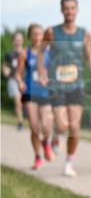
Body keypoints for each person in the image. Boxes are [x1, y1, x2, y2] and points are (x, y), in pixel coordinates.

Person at [44, 0, 91, 177]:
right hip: (57, 84)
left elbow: (89, 55)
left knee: (74, 127)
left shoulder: (84, 34)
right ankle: (55, 135)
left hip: (76, 84)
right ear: (61, 10)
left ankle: (69, 162)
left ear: (77, 10)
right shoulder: (51, 32)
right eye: (66, 8)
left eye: (72, 8)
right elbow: (40, 53)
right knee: (61, 125)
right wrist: (41, 71)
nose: (69, 11)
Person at [17, 24, 54, 169]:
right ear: (29, 36)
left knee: (46, 126)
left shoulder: (49, 53)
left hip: (45, 92)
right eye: (34, 34)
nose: (37, 37)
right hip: (30, 92)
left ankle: (46, 142)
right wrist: (20, 82)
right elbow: (18, 73)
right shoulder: (24, 53)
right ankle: (37, 156)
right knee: (34, 127)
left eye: (40, 34)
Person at [3, 31, 26, 130]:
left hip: (25, 81)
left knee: (26, 103)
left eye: (19, 40)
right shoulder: (9, 54)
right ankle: (20, 122)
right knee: (18, 101)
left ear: (22, 41)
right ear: (13, 42)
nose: (18, 42)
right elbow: (4, 65)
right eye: (16, 40)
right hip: (13, 80)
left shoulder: (26, 52)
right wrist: (5, 71)